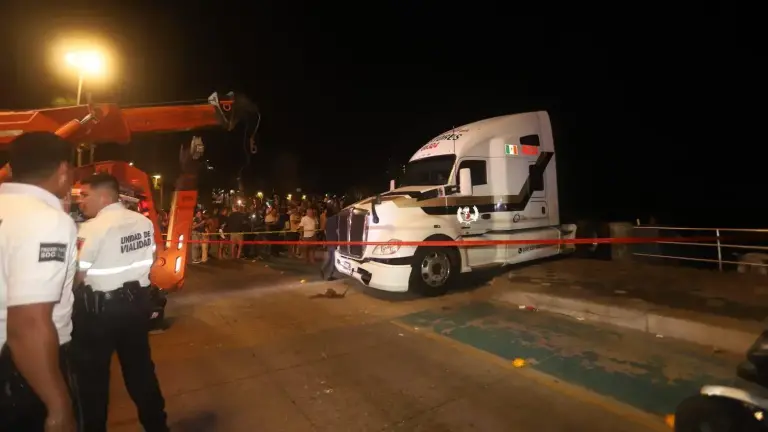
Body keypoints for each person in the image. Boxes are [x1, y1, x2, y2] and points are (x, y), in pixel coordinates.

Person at [72, 173, 168, 432]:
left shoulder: (91, 229)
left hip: (98, 314)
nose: (81, 202)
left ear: (104, 196)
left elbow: (77, 276)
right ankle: (157, 426)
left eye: (85, 195)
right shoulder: (143, 222)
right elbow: (150, 257)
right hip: (135, 307)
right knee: (140, 372)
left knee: (92, 381)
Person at [0, 132, 79, 432]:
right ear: (62, 170)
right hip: (25, 372)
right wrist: (58, 406)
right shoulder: (46, 220)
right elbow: (29, 324)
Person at [321, 202, 340, 280]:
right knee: (333, 259)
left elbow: (324, 231)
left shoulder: (327, 220)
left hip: (329, 240)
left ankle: (323, 269)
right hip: (334, 241)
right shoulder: (336, 219)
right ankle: (330, 275)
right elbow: (337, 231)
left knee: (330, 257)